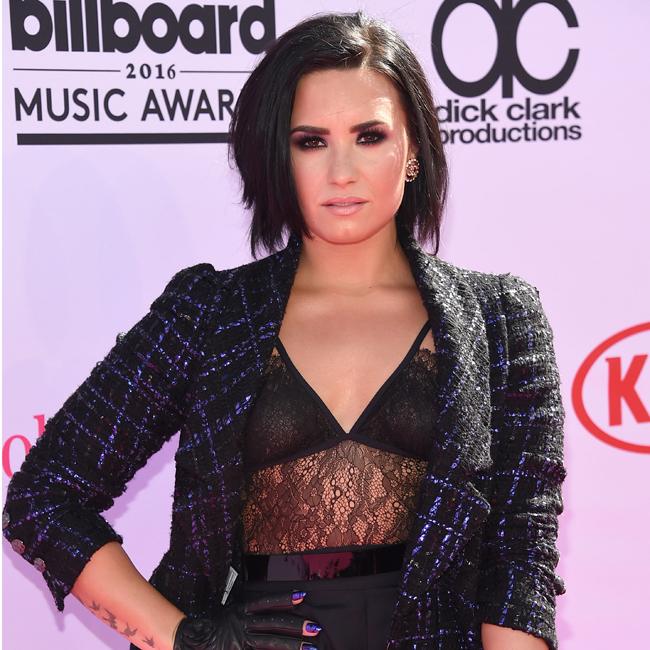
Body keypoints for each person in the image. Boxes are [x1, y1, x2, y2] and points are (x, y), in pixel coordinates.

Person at [2, 10, 567, 650]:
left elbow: (518, 556)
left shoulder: (501, 319)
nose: (341, 171)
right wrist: (186, 637)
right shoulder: (209, 313)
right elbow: (44, 497)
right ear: (279, 155)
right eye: (311, 142)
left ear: (413, 149)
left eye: (369, 136)